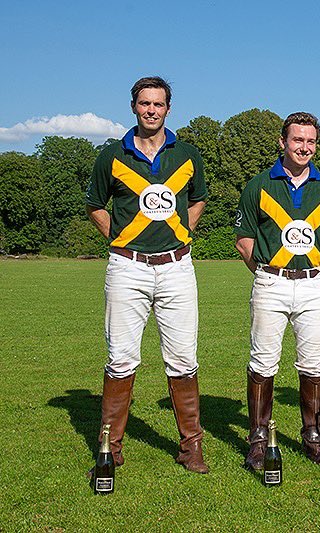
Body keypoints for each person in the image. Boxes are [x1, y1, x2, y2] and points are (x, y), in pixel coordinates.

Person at [86, 76, 209, 473]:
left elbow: (199, 199)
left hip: (177, 267)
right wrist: (119, 237)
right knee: (120, 358)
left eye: (158, 104)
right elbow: (94, 204)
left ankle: (191, 447)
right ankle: (111, 448)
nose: (151, 110)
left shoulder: (188, 154)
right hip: (127, 267)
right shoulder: (111, 155)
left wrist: (184, 234)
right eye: (144, 103)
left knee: (183, 358)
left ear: (168, 109)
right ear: (134, 107)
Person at [234, 112, 320, 468]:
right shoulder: (259, 185)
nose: (304, 147)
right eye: (298, 140)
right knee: (263, 362)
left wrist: (313, 261)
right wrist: (269, 271)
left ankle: (313, 437)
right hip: (270, 282)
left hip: (314, 285)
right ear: (282, 142)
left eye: (311, 141)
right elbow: (244, 240)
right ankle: (258, 439)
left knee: (314, 364)